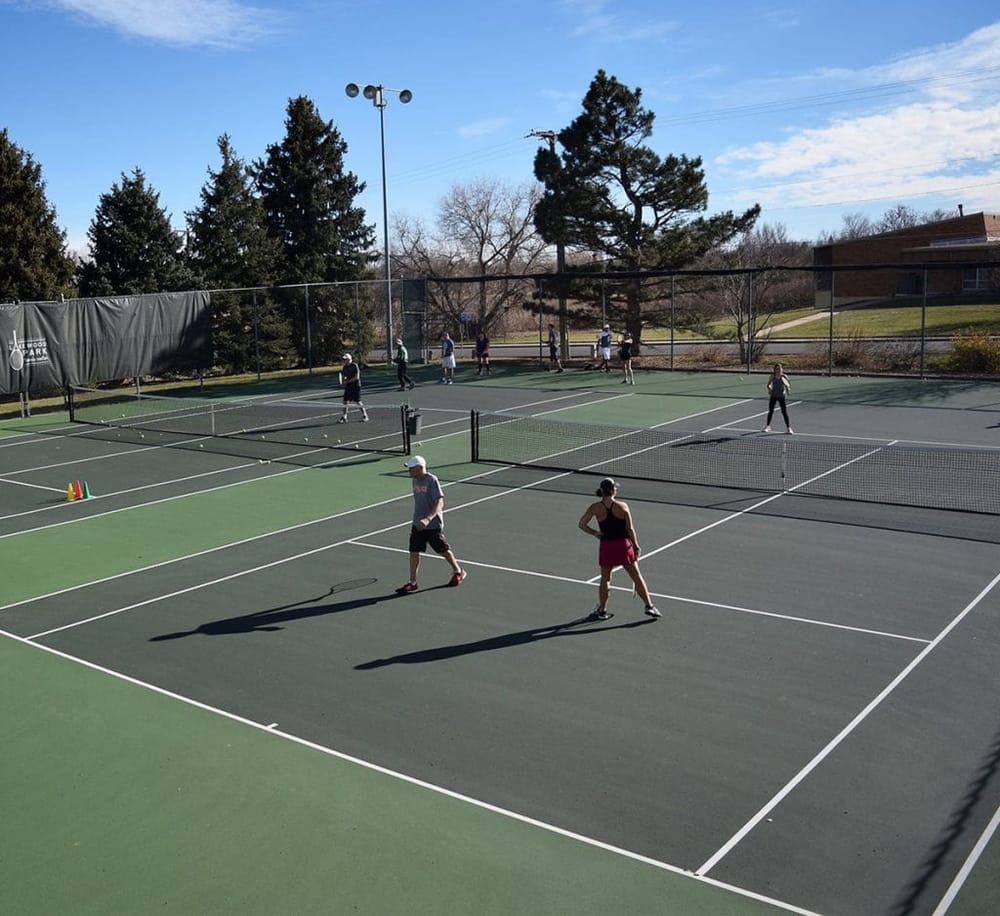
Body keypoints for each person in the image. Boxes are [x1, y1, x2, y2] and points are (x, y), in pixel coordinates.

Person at [578, 478, 660, 621]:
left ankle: (602, 610)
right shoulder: (623, 506)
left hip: (607, 546)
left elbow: (582, 524)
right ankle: (649, 606)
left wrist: (595, 533)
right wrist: (635, 545)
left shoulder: (595, 507)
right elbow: (630, 529)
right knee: (636, 576)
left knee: (605, 579)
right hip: (623, 546)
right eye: (615, 488)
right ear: (612, 490)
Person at [397, 455, 466, 593]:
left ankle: (458, 571)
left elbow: (440, 502)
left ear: (420, 468)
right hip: (418, 524)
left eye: (411, 468)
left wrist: (428, 519)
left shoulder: (431, 480)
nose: (409, 471)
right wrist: (419, 520)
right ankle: (413, 582)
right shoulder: (415, 481)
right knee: (414, 551)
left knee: (443, 550)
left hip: (432, 525)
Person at [337, 353, 369, 423]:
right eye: (344, 359)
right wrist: (343, 381)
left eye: (345, 359)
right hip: (349, 386)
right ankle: (344, 417)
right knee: (345, 401)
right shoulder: (345, 367)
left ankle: (365, 415)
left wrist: (347, 381)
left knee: (358, 401)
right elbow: (344, 376)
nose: (344, 360)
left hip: (356, 386)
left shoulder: (354, 366)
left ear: (349, 359)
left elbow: (356, 377)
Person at [764, 362, 793, 434]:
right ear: (775, 370)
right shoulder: (772, 376)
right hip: (773, 396)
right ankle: (768, 426)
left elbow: (788, 385)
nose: (779, 370)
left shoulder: (784, 377)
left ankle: (788, 428)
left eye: (780, 368)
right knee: (770, 411)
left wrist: (788, 390)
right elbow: (768, 385)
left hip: (781, 396)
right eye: (777, 368)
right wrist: (770, 389)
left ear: (782, 369)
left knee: (784, 412)